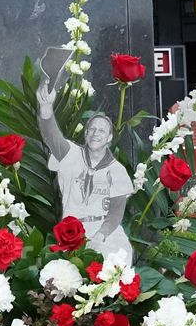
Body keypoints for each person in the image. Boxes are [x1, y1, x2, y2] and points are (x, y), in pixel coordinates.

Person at [36, 76, 133, 263]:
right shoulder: (71, 154)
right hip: (72, 232)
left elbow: (115, 212)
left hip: (106, 234)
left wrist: (100, 236)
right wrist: (46, 108)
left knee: (117, 272)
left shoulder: (117, 171)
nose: (96, 134)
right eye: (92, 130)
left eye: (102, 131)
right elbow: (52, 137)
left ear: (110, 138)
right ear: (86, 133)